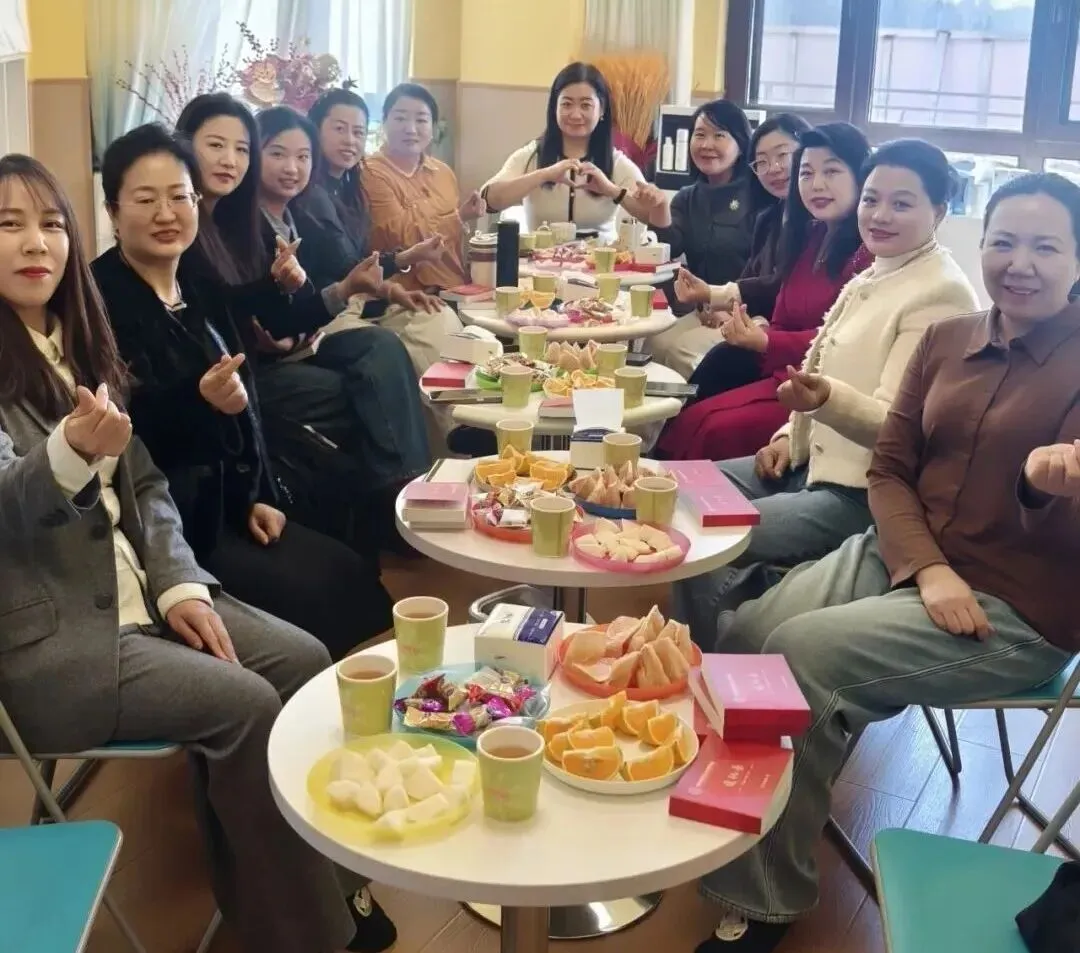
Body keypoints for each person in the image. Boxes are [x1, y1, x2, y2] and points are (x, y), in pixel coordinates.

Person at [0, 153, 397, 953]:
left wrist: (179, 580)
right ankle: (304, 934)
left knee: (304, 658)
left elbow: (144, 482)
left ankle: (317, 886)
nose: (35, 242)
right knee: (244, 707)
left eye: (49, 223)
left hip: (143, 594)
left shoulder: (77, 340)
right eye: (9, 225)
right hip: (55, 644)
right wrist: (69, 452)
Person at [691, 171, 1080, 953]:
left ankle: (762, 899)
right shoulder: (950, 340)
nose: (1019, 263)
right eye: (1003, 241)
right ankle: (743, 818)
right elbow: (892, 468)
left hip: (1016, 604)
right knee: (742, 636)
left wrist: (1047, 487)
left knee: (801, 655)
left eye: (1046, 247)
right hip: (906, 550)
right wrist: (926, 566)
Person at [92, 123, 394, 661]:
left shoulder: (197, 283)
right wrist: (200, 403)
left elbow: (248, 402)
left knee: (354, 574)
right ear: (113, 211)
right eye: (145, 199)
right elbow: (125, 434)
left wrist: (258, 494)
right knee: (321, 604)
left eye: (179, 197)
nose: (166, 214)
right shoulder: (99, 301)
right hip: (174, 525)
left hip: (232, 502)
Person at [674, 139, 980, 645]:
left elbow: (898, 430)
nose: (880, 215)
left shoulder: (939, 293)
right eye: (872, 199)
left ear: (940, 211)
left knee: (702, 530)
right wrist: (784, 436)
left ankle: (719, 654)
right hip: (807, 464)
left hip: (860, 493)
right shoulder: (877, 271)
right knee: (679, 496)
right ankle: (717, 635)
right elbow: (819, 365)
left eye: (902, 203)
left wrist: (823, 401)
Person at [175, 92, 430, 546]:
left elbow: (277, 308)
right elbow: (245, 317)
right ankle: (388, 506)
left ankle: (403, 493)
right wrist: (300, 304)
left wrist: (330, 291)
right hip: (245, 374)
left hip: (295, 344)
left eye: (240, 149)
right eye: (216, 145)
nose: (230, 160)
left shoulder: (284, 213)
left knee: (383, 354)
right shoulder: (212, 224)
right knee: (365, 386)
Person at [656, 123, 873, 462]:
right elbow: (781, 310)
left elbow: (844, 338)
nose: (817, 184)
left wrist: (765, 341)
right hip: (782, 372)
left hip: (822, 389)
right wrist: (756, 330)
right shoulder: (812, 235)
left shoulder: (866, 252)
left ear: (861, 176)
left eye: (832, 171)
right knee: (691, 417)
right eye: (807, 173)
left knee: (711, 428)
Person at [254, 104, 434, 501]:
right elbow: (267, 316)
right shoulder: (246, 223)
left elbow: (332, 278)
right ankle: (398, 492)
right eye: (277, 154)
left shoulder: (297, 214)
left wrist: (380, 282)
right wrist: (361, 287)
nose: (292, 168)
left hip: (306, 337)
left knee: (382, 347)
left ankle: (409, 481)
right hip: (270, 359)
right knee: (370, 379)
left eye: (302, 157)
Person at [651, 113, 811, 378]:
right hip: (732, 310)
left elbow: (780, 284)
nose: (773, 168)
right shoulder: (769, 216)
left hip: (773, 328)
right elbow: (749, 275)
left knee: (682, 350)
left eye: (783, 155)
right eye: (762, 162)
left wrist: (717, 299)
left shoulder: (814, 220)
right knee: (656, 340)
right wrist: (717, 304)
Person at [360, 82, 482, 374]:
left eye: (421, 119)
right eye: (400, 118)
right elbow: (401, 235)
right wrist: (458, 217)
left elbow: (452, 245)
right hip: (401, 297)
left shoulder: (443, 173)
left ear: (434, 127)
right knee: (453, 361)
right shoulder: (370, 172)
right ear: (384, 122)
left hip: (455, 289)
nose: (411, 129)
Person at [481, 62, 670, 241]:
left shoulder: (616, 162)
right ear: (554, 108)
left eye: (586, 105)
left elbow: (656, 222)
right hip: (538, 263)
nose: (576, 114)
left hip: (602, 263)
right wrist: (543, 175)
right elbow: (487, 200)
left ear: (602, 110)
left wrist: (612, 191)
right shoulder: (530, 155)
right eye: (567, 104)